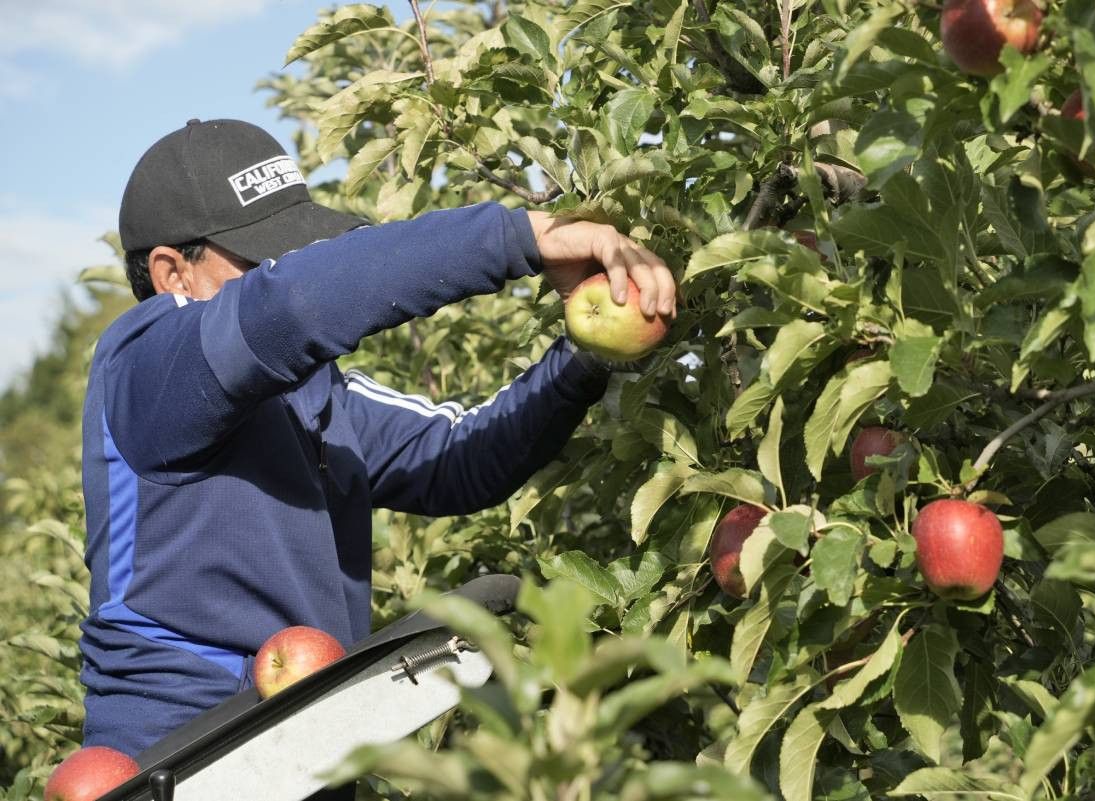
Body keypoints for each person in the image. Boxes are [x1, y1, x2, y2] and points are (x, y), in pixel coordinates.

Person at [79, 119, 675, 768]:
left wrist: (588, 354)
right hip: (177, 763)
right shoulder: (145, 366)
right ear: (174, 275)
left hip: (306, 751)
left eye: (294, 250)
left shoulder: (312, 398)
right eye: (262, 260)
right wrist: (522, 236)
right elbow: (292, 305)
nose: (286, 268)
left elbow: (459, 457)